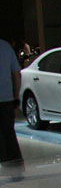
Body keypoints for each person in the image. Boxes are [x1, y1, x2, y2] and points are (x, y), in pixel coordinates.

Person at [0, 37, 22, 165]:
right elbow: (16, 74)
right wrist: (16, 96)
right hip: (7, 99)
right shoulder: (6, 47)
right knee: (9, 132)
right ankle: (15, 163)